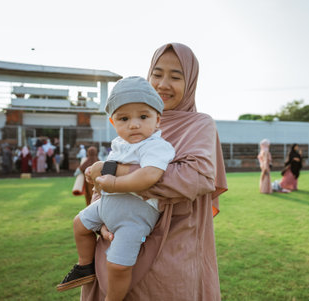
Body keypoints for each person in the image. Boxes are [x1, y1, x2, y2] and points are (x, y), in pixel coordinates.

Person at [81, 43, 228, 300]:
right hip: (116, 243)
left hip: (172, 252)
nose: (163, 84)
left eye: (175, 76)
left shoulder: (198, 124)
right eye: (157, 74)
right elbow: (104, 176)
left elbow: (196, 178)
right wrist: (102, 219)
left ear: (190, 81)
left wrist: (119, 172)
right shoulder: (134, 117)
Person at [57, 76, 176, 301]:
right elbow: (105, 172)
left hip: (136, 213)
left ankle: (113, 299)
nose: (134, 124)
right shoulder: (119, 145)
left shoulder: (155, 145)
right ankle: (85, 266)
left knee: (118, 265)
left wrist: (113, 182)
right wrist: (96, 177)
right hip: (107, 205)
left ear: (157, 120)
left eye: (143, 116)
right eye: (124, 118)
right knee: (79, 224)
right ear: (113, 122)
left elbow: (149, 175)